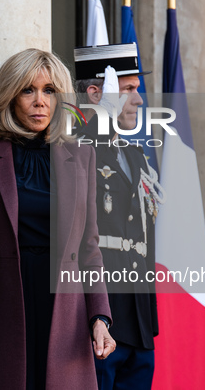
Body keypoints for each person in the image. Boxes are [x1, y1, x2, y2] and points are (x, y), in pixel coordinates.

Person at [0, 48, 115, 390]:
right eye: (27, 90)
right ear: (9, 96)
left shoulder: (82, 155)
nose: (40, 101)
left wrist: (100, 317)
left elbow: (89, 247)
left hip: (64, 305)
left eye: (49, 91)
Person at [74, 43, 163, 390]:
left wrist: (148, 324)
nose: (139, 100)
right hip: (98, 324)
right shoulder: (73, 149)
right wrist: (98, 119)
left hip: (138, 325)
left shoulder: (135, 156)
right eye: (128, 90)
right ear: (97, 93)